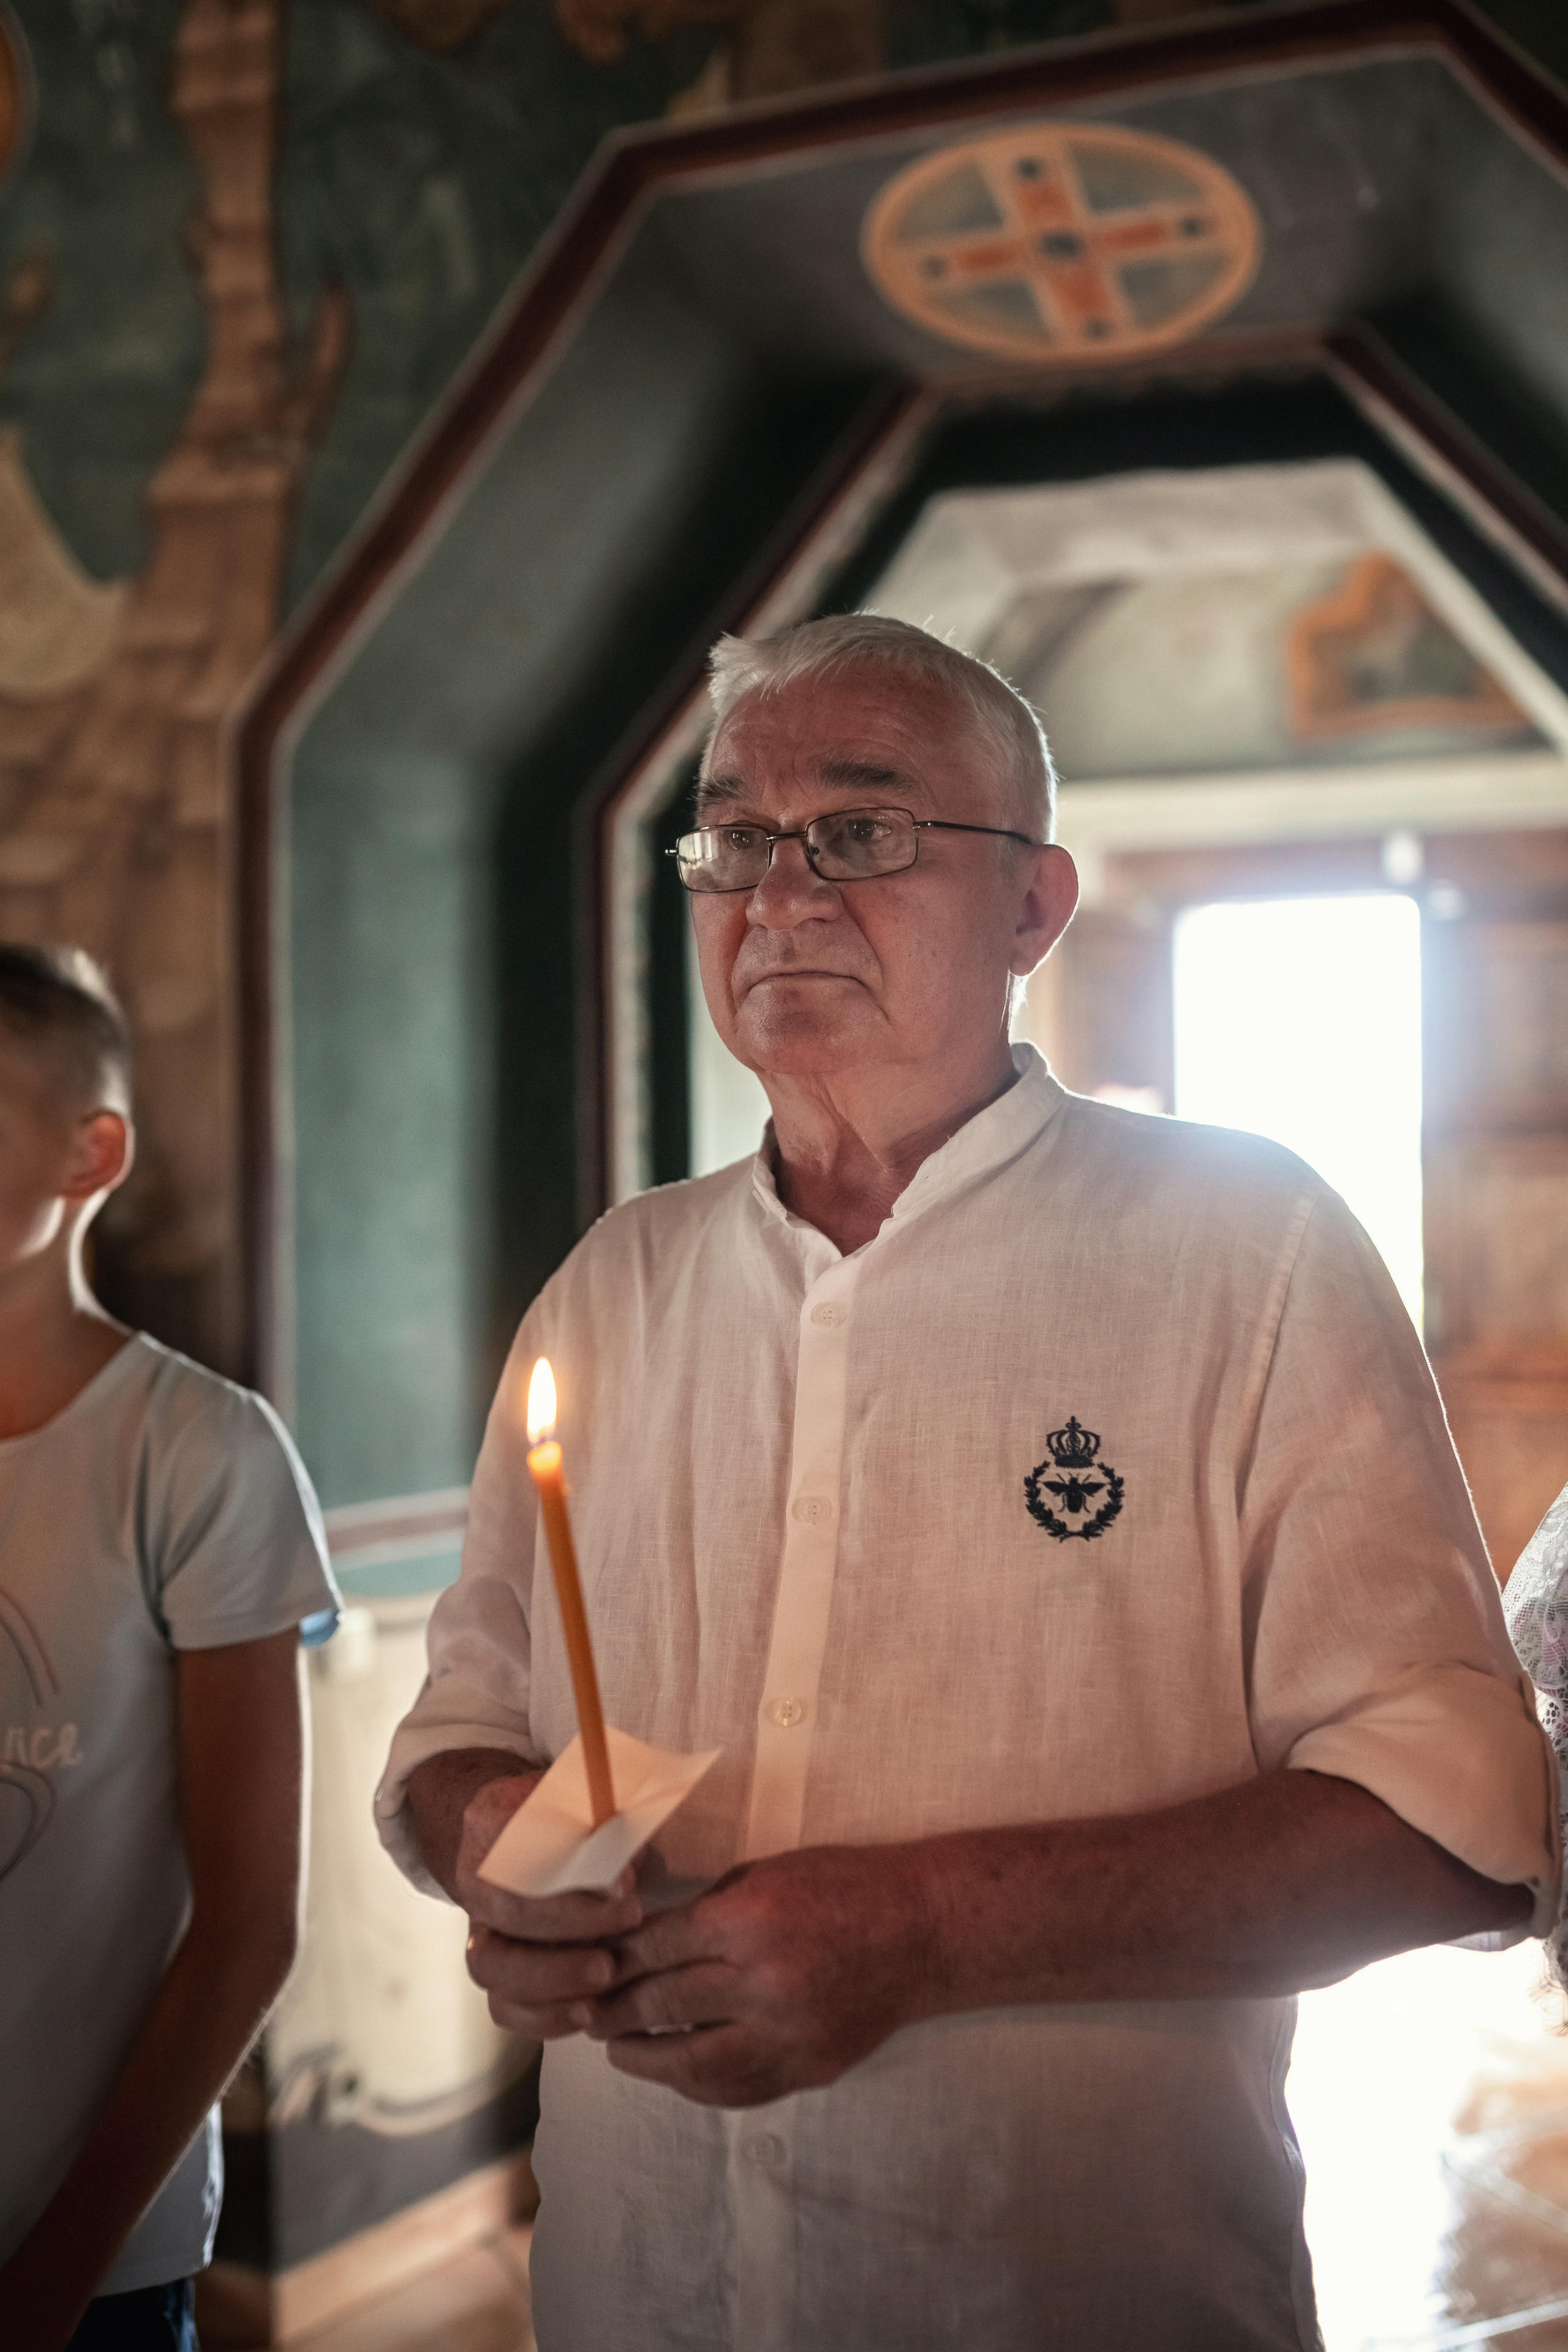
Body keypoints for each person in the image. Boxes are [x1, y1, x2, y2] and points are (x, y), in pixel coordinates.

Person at [375, 614, 1557, 2352]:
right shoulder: (613, 1287)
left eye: (860, 831)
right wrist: (487, 1840)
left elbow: (1460, 1840)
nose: (776, 895)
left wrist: (926, 1931)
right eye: (732, 840)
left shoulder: (1246, 1249)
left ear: (1032, 908)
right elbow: (452, 1732)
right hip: (640, 2289)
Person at [0, 946, 339, 2352]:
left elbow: (250, 1922)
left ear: (92, 1153)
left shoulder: (195, 1449)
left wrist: (52, 2280)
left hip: (81, 2261)